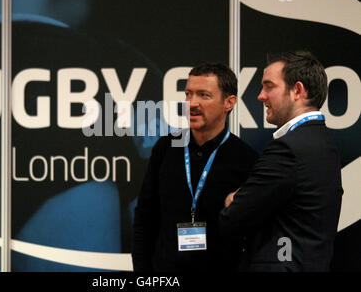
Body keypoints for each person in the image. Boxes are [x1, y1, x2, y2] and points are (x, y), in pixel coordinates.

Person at [219, 50, 343, 272]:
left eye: (269, 86)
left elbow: (233, 218)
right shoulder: (323, 143)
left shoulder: (288, 149)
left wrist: (232, 199)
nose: (260, 95)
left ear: (297, 90)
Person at [132, 62, 259, 271]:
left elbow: (252, 232)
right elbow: (145, 218)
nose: (192, 103)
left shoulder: (246, 159)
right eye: (188, 94)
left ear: (229, 102)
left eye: (203, 95)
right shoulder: (165, 148)